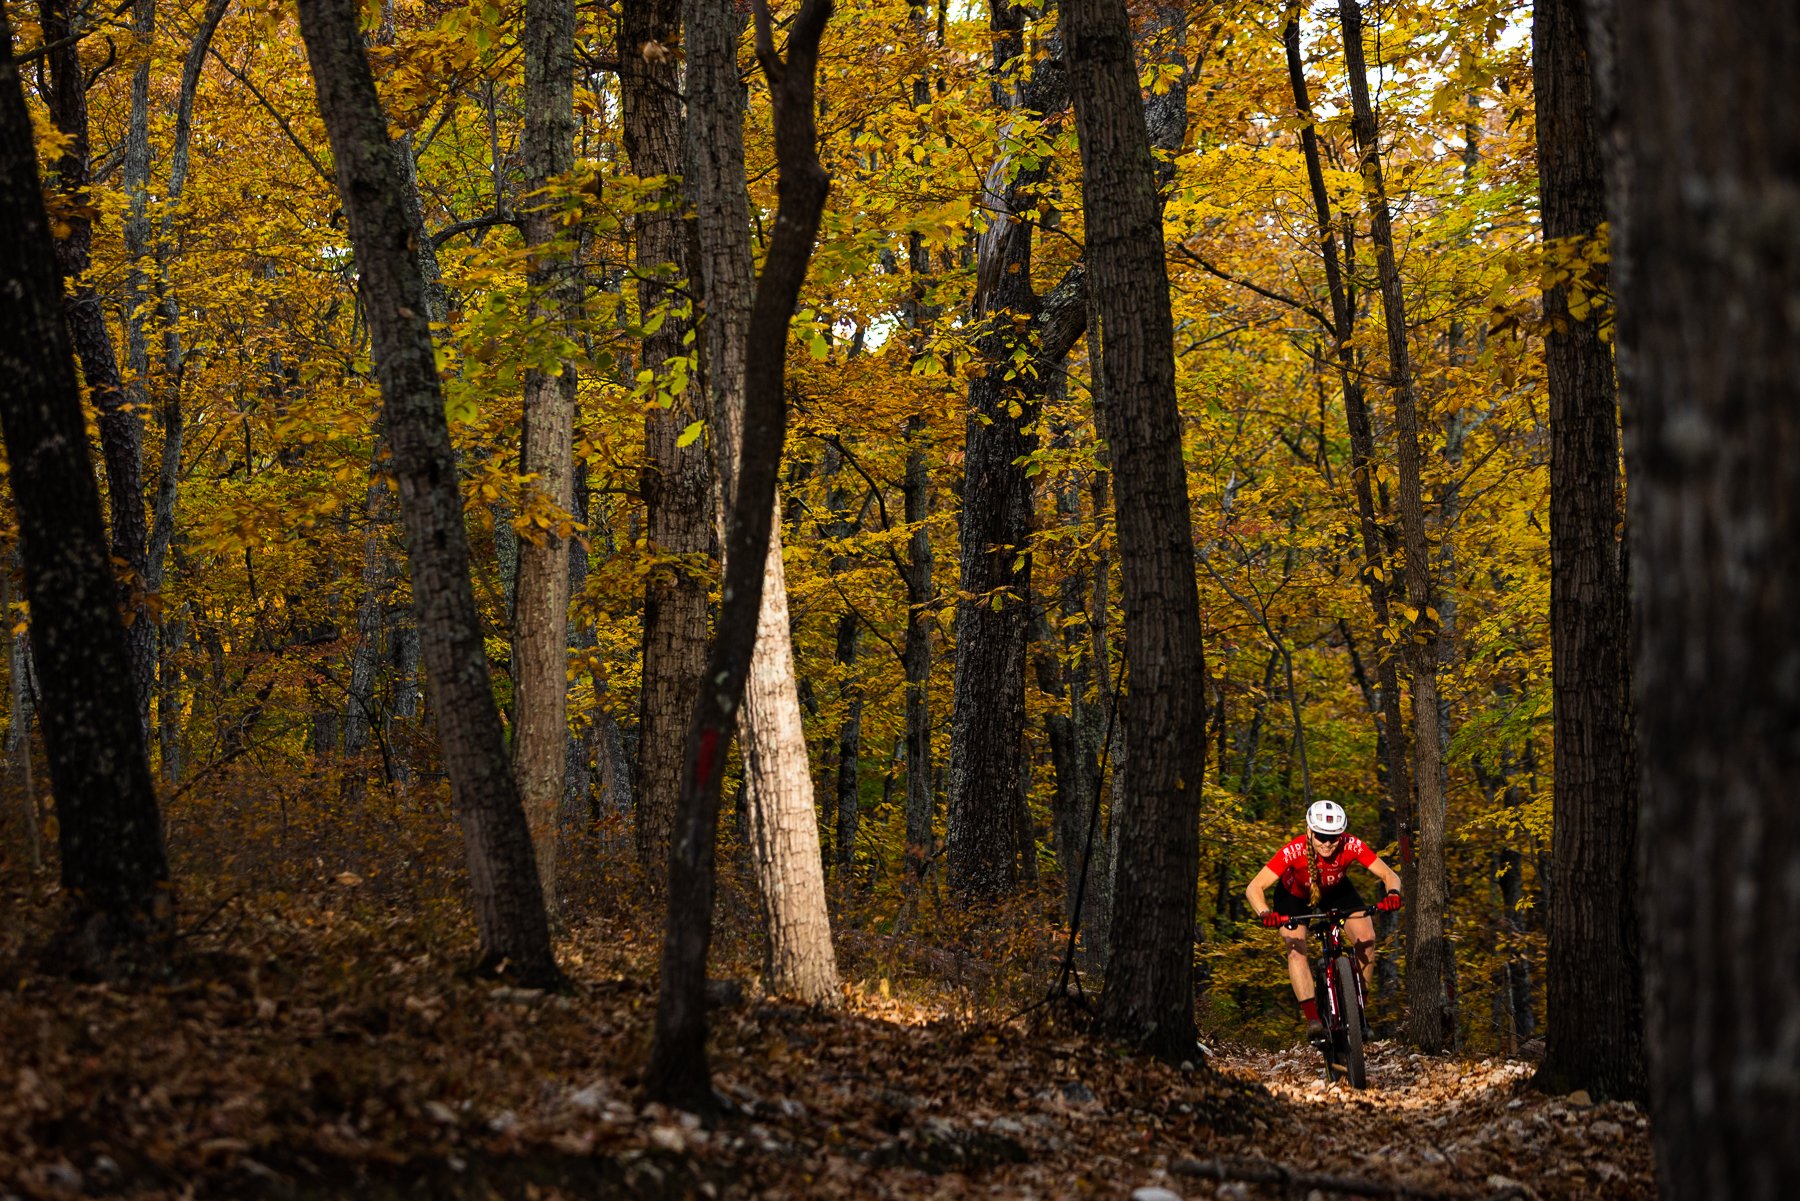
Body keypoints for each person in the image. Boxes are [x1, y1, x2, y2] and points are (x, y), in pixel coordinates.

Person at [1245, 799, 1402, 1043]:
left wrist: (1393, 894)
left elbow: (1388, 874)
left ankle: (1358, 1011)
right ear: (1310, 831)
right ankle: (1313, 1020)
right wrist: (1265, 913)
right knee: (1296, 948)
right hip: (1293, 897)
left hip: (1336, 892)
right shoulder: (1294, 850)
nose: (1327, 843)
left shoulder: (1351, 845)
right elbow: (1254, 887)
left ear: (1342, 834)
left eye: (1334, 837)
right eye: (1320, 836)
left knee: (1367, 938)